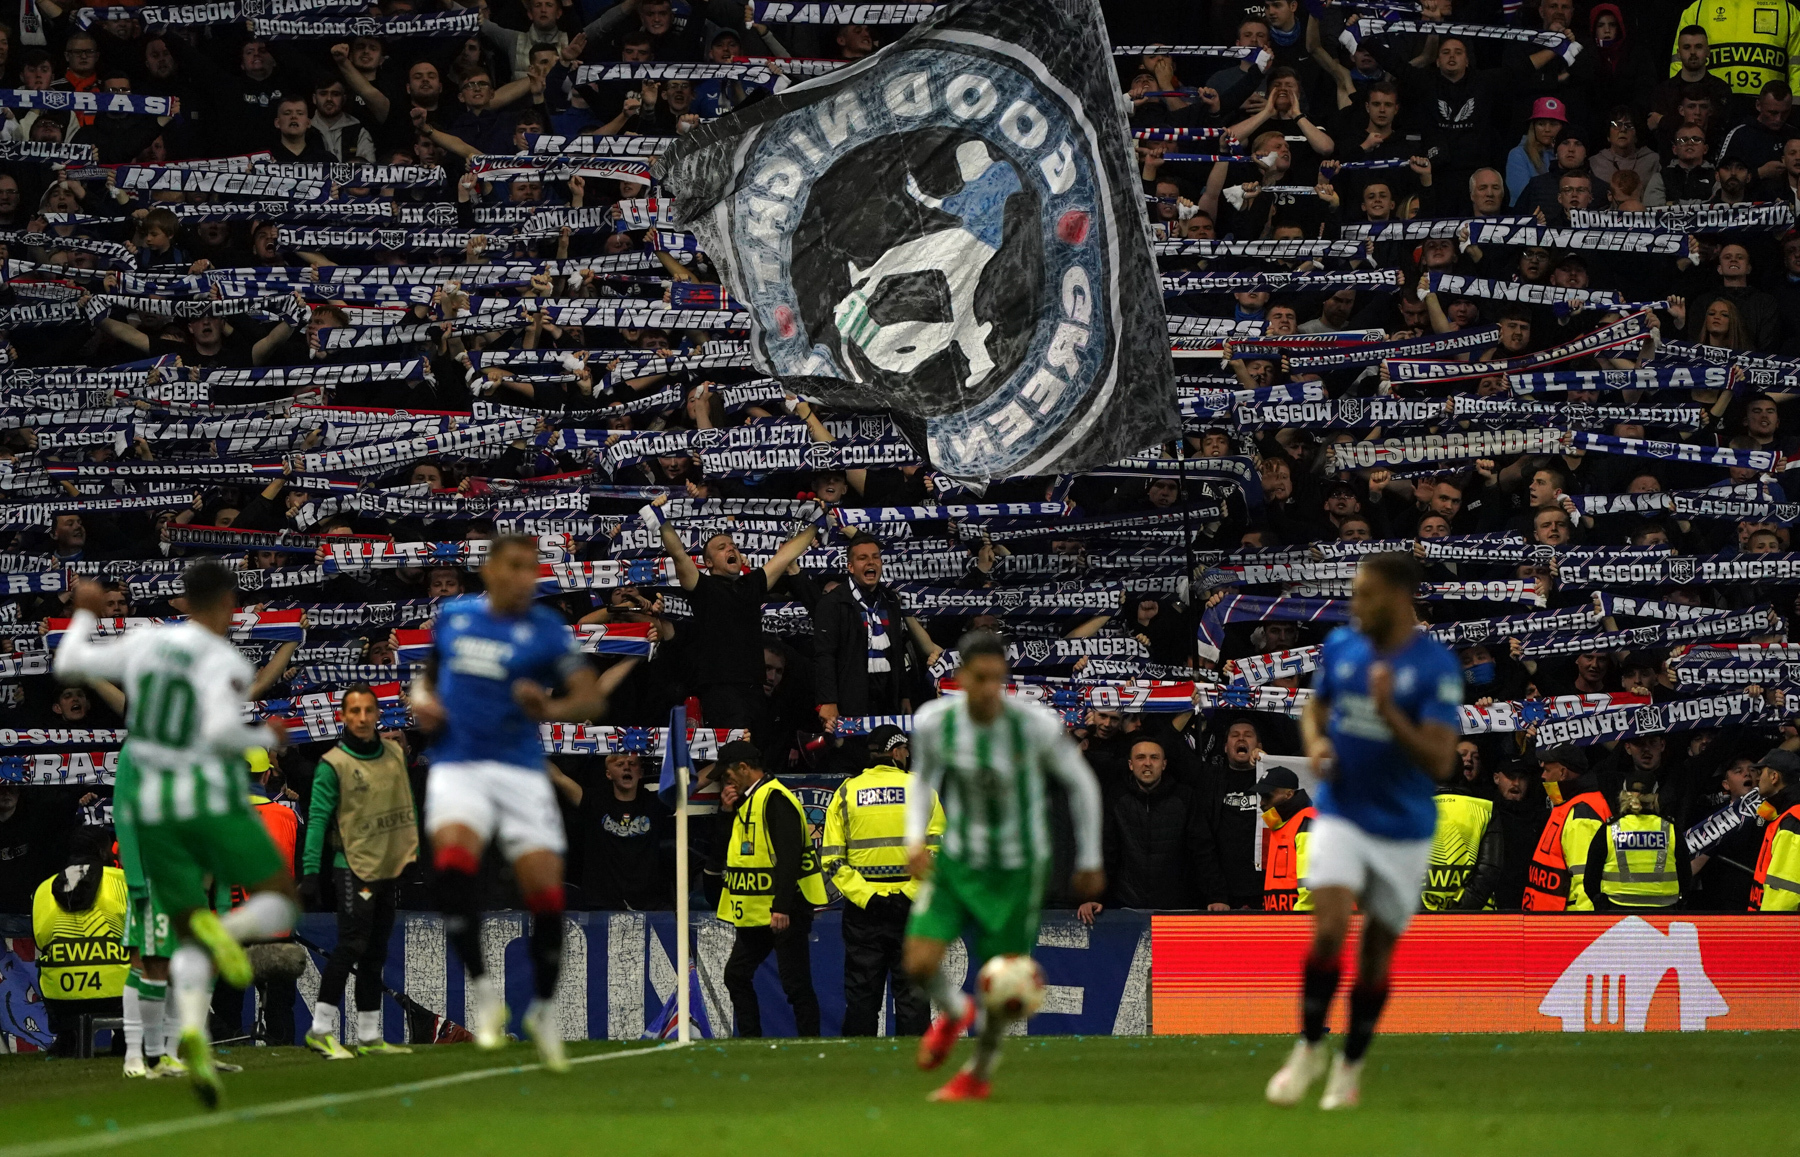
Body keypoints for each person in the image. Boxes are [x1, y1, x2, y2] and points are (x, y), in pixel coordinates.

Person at [52, 565, 299, 1109]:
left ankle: (181, 1049)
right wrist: (137, 877)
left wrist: (87, 612)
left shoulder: (151, 649)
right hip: (164, 836)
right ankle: (140, 1054)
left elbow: (70, 661)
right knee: (153, 958)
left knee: (195, 946)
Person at [408, 535, 636, 1072]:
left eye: (531, 569)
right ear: (488, 571)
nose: (523, 577)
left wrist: (552, 704)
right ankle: (486, 996)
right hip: (459, 763)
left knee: (546, 892)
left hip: (519, 768)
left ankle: (543, 1011)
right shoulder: (456, 617)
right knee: (452, 870)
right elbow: (429, 679)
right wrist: (422, 701)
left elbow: (592, 699)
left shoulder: (546, 632)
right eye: (513, 567)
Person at [1266, 552, 1461, 1110]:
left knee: (1375, 957)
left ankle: (1349, 1068)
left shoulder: (1436, 668)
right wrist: (1317, 742)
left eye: (1365, 594)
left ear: (1399, 597)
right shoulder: (1342, 645)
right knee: (1328, 929)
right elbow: (1316, 708)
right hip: (1342, 812)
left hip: (1403, 828)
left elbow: (1441, 761)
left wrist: (1389, 713)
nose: (1355, 605)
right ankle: (1308, 1047)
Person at [903, 631, 1104, 1102]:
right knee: (917, 962)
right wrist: (913, 839)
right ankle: (954, 1012)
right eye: (981, 678)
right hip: (957, 862)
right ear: (962, 679)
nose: (992, 687)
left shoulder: (1033, 725)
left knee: (1004, 983)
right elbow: (922, 779)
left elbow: (1081, 783)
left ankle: (979, 1072)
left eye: (999, 678)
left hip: (1017, 869)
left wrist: (1091, 858)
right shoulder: (936, 722)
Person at [301, 684, 419, 1060]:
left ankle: (368, 1035)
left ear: (378, 715)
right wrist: (310, 873)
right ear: (343, 716)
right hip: (351, 867)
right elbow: (317, 820)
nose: (363, 718)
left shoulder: (393, 756)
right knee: (352, 943)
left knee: (376, 950)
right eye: (355, 711)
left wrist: (406, 855)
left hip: (385, 867)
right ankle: (320, 1030)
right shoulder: (332, 764)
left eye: (369, 710)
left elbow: (405, 807)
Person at [648, 493, 816, 736]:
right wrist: (662, 520)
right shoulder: (702, 587)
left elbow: (785, 556)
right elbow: (679, 555)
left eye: (734, 546)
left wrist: (815, 526)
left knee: (755, 756)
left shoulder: (751, 584)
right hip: (721, 689)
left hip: (755, 688)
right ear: (708, 562)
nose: (731, 549)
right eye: (722, 547)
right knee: (736, 755)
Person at [821, 724, 943, 1038]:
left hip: (864, 913)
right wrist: (907, 895)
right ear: (896, 750)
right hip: (912, 911)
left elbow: (832, 860)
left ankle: (858, 1076)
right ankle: (915, 1076)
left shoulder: (846, 793)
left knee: (862, 999)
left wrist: (869, 898)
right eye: (906, 749)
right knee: (913, 999)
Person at [715, 740, 824, 1037]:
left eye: (727, 775)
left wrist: (782, 907)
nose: (726, 782)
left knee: (795, 984)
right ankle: (751, 1042)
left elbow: (789, 857)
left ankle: (812, 1046)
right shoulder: (747, 801)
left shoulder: (775, 797)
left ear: (744, 768)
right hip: (756, 911)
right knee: (736, 975)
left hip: (783, 910)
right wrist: (726, 811)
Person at [31, 830, 129, 1057]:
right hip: (120, 998)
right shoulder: (122, 882)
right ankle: (128, 1038)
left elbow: (41, 940)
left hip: (64, 999)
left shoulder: (45, 888)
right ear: (103, 852)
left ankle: (66, 1037)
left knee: (45, 962)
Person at [1522, 745, 1614, 912]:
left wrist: (1583, 929)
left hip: (1569, 921)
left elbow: (1586, 880)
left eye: (1548, 770)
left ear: (1563, 773)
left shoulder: (1583, 812)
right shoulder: (1569, 804)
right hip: (1552, 918)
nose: (1543, 776)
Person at [1583, 774, 1690, 910]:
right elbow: (1685, 876)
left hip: (1617, 910)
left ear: (1623, 795)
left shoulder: (1610, 829)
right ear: (1655, 797)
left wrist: (1601, 904)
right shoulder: (1670, 829)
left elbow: (1590, 879)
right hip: (1664, 911)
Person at [1420, 779, 1501, 910]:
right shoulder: (1484, 808)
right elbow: (1488, 870)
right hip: (1476, 919)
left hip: (1417, 917)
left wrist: (1423, 910)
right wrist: (1459, 912)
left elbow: (1399, 867)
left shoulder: (1414, 809)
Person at [1258, 767, 1315, 912]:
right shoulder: (1281, 825)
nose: (1261, 803)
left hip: (1303, 922)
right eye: (1260, 796)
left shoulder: (1307, 822)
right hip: (1285, 922)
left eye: (1267, 796)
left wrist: (1297, 921)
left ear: (1289, 794)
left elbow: (1311, 885)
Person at [1750, 748, 1800, 912]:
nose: (1757, 778)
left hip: (1778, 929)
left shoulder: (1792, 821)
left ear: (1774, 777)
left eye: (1761, 771)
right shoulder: (1783, 815)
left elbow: (1785, 891)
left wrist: (1767, 930)